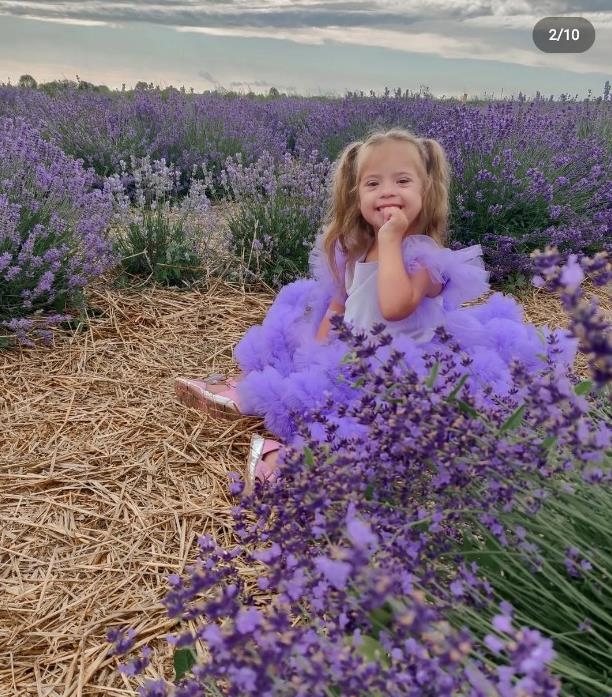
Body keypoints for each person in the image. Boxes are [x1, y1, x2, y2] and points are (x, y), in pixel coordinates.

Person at [175, 128, 577, 493]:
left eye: (403, 181)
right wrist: (312, 356)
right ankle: (247, 395)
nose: (388, 191)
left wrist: (391, 241)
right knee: (304, 366)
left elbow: (395, 306)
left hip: (406, 367)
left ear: (426, 191)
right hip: (353, 354)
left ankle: (295, 455)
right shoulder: (353, 250)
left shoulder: (427, 259)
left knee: (378, 426)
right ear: (356, 195)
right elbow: (340, 303)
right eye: (373, 183)